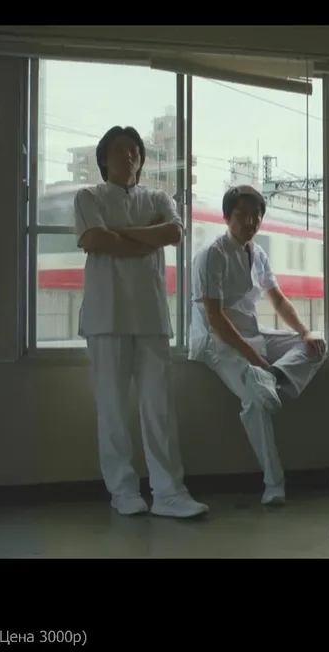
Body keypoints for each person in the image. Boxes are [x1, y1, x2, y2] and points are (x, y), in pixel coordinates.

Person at [74, 125, 208, 519]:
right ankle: (123, 492)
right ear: (104, 158)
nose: (128, 155)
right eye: (119, 150)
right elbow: (95, 240)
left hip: (151, 316)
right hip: (105, 316)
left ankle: (169, 493)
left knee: (159, 408)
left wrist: (118, 234)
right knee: (112, 410)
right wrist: (145, 239)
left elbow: (174, 232)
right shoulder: (89, 196)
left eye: (134, 150)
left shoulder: (159, 197)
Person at [188, 185, 327, 505]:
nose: (251, 222)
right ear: (226, 217)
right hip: (216, 341)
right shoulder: (212, 254)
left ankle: (273, 378)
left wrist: (305, 332)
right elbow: (215, 318)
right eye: (242, 215)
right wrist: (256, 360)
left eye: (256, 216)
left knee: (319, 345)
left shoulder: (257, 252)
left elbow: (277, 299)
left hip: (251, 333)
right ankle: (274, 484)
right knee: (255, 400)